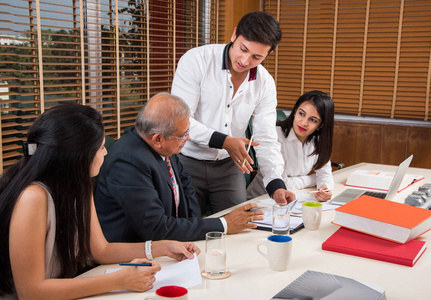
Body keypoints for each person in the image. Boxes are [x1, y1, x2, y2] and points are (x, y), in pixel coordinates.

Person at [0, 104, 201, 299]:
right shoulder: (33, 197)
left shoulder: (79, 186)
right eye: (101, 147)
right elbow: (30, 292)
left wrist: (163, 248)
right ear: (78, 156)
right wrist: (118, 281)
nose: (106, 153)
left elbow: (101, 250)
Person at [94, 93, 263, 243]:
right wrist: (224, 224)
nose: (188, 138)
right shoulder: (127, 162)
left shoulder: (161, 143)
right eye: (183, 135)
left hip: (168, 243)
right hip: (131, 254)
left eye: (187, 130)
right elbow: (156, 228)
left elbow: (185, 185)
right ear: (158, 139)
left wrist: (195, 229)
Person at [171, 11, 295, 215]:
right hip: (187, 159)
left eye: (257, 57)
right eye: (243, 49)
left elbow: (266, 138)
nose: (245, 61)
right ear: (234, 34)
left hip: (230, 165)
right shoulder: (197, 60)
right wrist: (225, 141)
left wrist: (275, 184)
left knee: (239, 225)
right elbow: (180, 120)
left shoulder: (265, 83)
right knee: (188, 227)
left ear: (268, 54)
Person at [247, 90, 335, 202]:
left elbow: (325, 174)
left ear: (321, 125)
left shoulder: (317, 142)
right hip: (261, 200)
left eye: (312, 120)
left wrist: (325, 188)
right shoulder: (275, 136)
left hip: (292, 200)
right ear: (295, 111)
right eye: (301, 114)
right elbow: (283, 183)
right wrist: (313, 179)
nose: (303, 123)